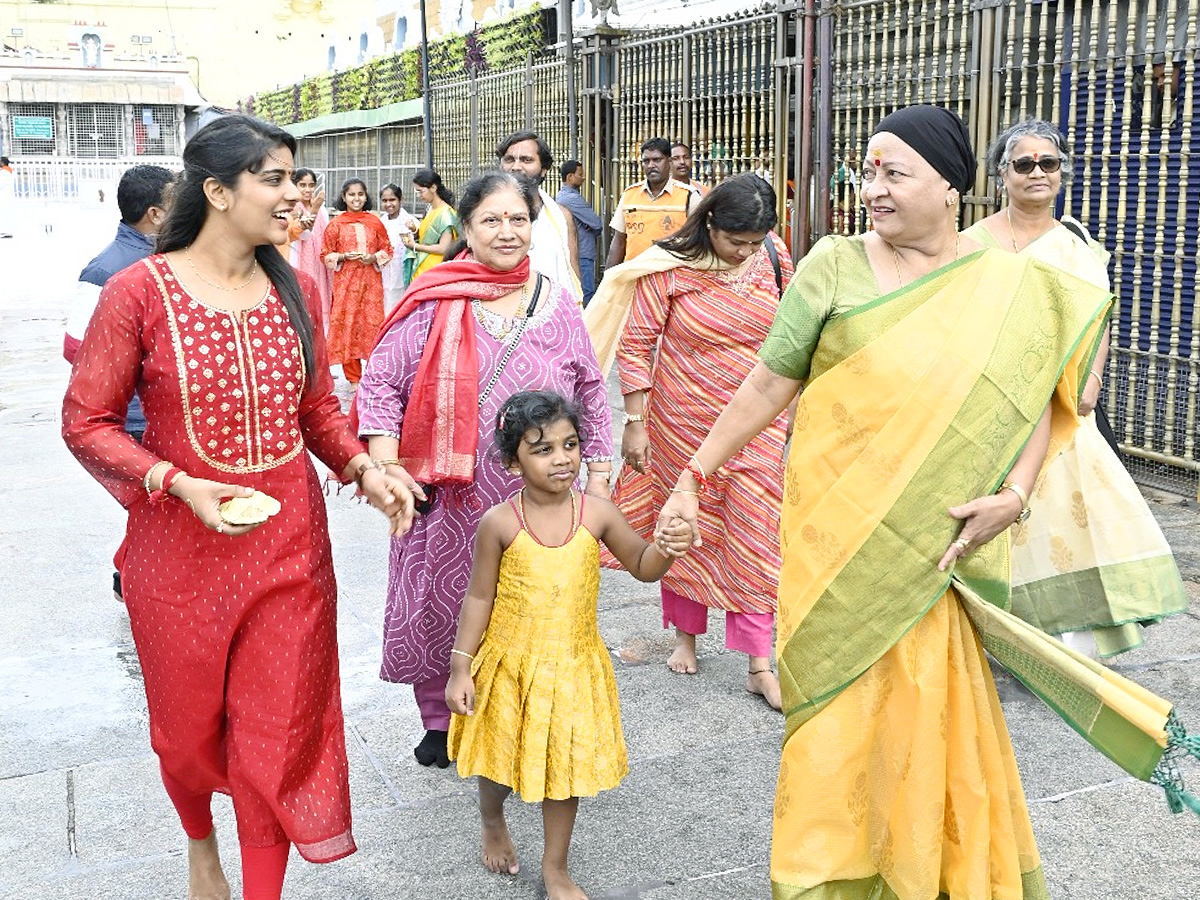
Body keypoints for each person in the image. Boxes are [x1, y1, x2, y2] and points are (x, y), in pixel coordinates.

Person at [653, 104, 1192, 900]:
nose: (873, 188)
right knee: (833, 712)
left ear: (950, 186)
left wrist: (1014, 495)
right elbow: (769, 382)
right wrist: (694, 474)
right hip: (832, 536)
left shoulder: (1011, 286)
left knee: (930, 708)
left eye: (893, 173)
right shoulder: (832, 265)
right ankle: (827, 876)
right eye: (867, 172)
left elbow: (1051, 396)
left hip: (937, 545)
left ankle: (936, 869)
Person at [61, 114, 416, 900]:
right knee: (186, 739)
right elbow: (83, 420)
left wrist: (365, 466)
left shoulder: (294, 284)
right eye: (276, 178)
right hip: (177, 548)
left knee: (274, 738)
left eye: (296, 178)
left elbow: (317, 408)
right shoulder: (136, 293)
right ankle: (199, 843)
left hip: (289, 545)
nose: (295, 194)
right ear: (218, 192)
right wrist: (177, 483)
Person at [356, 171, 614, 771]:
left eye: (518, 219)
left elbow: (591, 389)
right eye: (491, 220)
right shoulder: (435, 296)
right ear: (465, 229)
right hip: (449, 492)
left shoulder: (555, 301)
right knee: (443, 600)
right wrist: (388, 467)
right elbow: (382, 383)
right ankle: (439, 718)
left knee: (529, 600)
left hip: (538, 491)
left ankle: (517, 710)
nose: (507, 232)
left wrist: (598, 477)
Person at [445, 390, 691, 900]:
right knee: (499, 756)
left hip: (574, 666)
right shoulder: (500, 523)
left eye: (570, 444)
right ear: (513, 462)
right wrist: (461, 667)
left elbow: (643, 567)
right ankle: (492, 819)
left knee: (566, 771)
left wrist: (665, 550)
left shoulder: (597, 514)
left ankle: (555, 867)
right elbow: (478, 597)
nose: (562, 458)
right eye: (542, 449)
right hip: (510, 665)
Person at [963, 118, 1186, 659]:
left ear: (1061, 174)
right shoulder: (971, 243)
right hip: (989, 401)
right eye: (1024, 164)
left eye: (1049, 163)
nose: (1037, 173)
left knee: (1065, 520)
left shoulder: (1077, 244)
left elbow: (1099, 319)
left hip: (1061, 404)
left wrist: (1092, 378)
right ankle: (986, 637)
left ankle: (1065, 647)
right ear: (1001, 176)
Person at [588, 173, 792, 709]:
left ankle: (758, 661)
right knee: (685, 528)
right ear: (710, 226)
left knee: (756, 531)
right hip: (682, 419)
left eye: (755, 242)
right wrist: (634, 420)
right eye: (735, 242)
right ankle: (685, 635)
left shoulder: (773, 258)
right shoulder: (670, 267)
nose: (745, 253)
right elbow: (636, 344)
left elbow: (795, 331)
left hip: (758, 423)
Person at [64, 163, 174, 600]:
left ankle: (128, 574)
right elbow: (75, 347)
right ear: (156, 214)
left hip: (151, 412)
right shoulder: (106, 269)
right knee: (157, 505)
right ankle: (130, 577)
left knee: (157, 507)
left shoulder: (169, 258)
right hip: (135, 416)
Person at [497, 130, 583, 302]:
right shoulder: (484, 213)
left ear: (543, 169)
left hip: (548, 313)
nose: (516, 166)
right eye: (509, 159)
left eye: (526, 160)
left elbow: (571, 273)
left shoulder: (561, 216)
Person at [322, 178, 392, 385]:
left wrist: (372, 258)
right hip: (346, 284)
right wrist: (344, 257)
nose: (356, 198)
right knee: (349, 326)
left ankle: (373, 375)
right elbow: (325, 254)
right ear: (344, 197)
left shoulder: (375, 223)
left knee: (372, 324)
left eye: (360, 194)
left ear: (366, 196)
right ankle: (353, 379)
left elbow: (387, 250)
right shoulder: (336, 225)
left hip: (371, 283)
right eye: (351, 194)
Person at [606, 137, 700, 266]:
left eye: (657, 160)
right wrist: (609, 280)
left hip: (672, 277)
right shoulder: (630, 194)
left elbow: (699, 242)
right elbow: (619, 241)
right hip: (634, 277)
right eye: (646, 161)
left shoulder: (689, 195)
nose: (651, 165)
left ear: (669, 162)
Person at [286, 168, 333, 333]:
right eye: (302, 185)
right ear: (295, 185)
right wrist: (314, 209)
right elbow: (303, 235)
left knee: (321, 293)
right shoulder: (292, 208)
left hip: (319, 260)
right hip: (299, 257)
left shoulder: (323, 210)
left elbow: (326, 234)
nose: (307, 189)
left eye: (311, 185)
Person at [555, 159, 602, 305]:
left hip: (579, 251)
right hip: (582, 252)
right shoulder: (571, 199)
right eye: (580, 174)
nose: (583, 177)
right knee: (586, 291)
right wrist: (590, 227)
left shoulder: (562, 196)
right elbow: (597, 223)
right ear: (570, 177)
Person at [402, 169, 458, 282]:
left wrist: (414, 246)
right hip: (422, 266)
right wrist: (414, 230)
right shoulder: (429, 208)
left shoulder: (446, 214)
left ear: (433, 188)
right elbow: (425, 237)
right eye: (416, 192)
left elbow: (443, 248)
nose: (418, 195)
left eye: (421, 191)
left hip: (435, 271)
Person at [377, 182, 418, 313]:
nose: (388, 204)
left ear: (401, 200)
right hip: (385, 269)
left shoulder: (409, 221)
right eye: (384, 200)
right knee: (386, 300)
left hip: (403, 268)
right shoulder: (380, 221)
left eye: (392, 200)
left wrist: (414, 229)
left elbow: (418, 237)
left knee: (401, 299)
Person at [0, 155, 15, 238]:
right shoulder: (8, 171)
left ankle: (5, 231)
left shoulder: (4, 172)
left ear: (2, 163)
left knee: (3, 214)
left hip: (4, 196)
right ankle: (5, 231)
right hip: (6, 196)